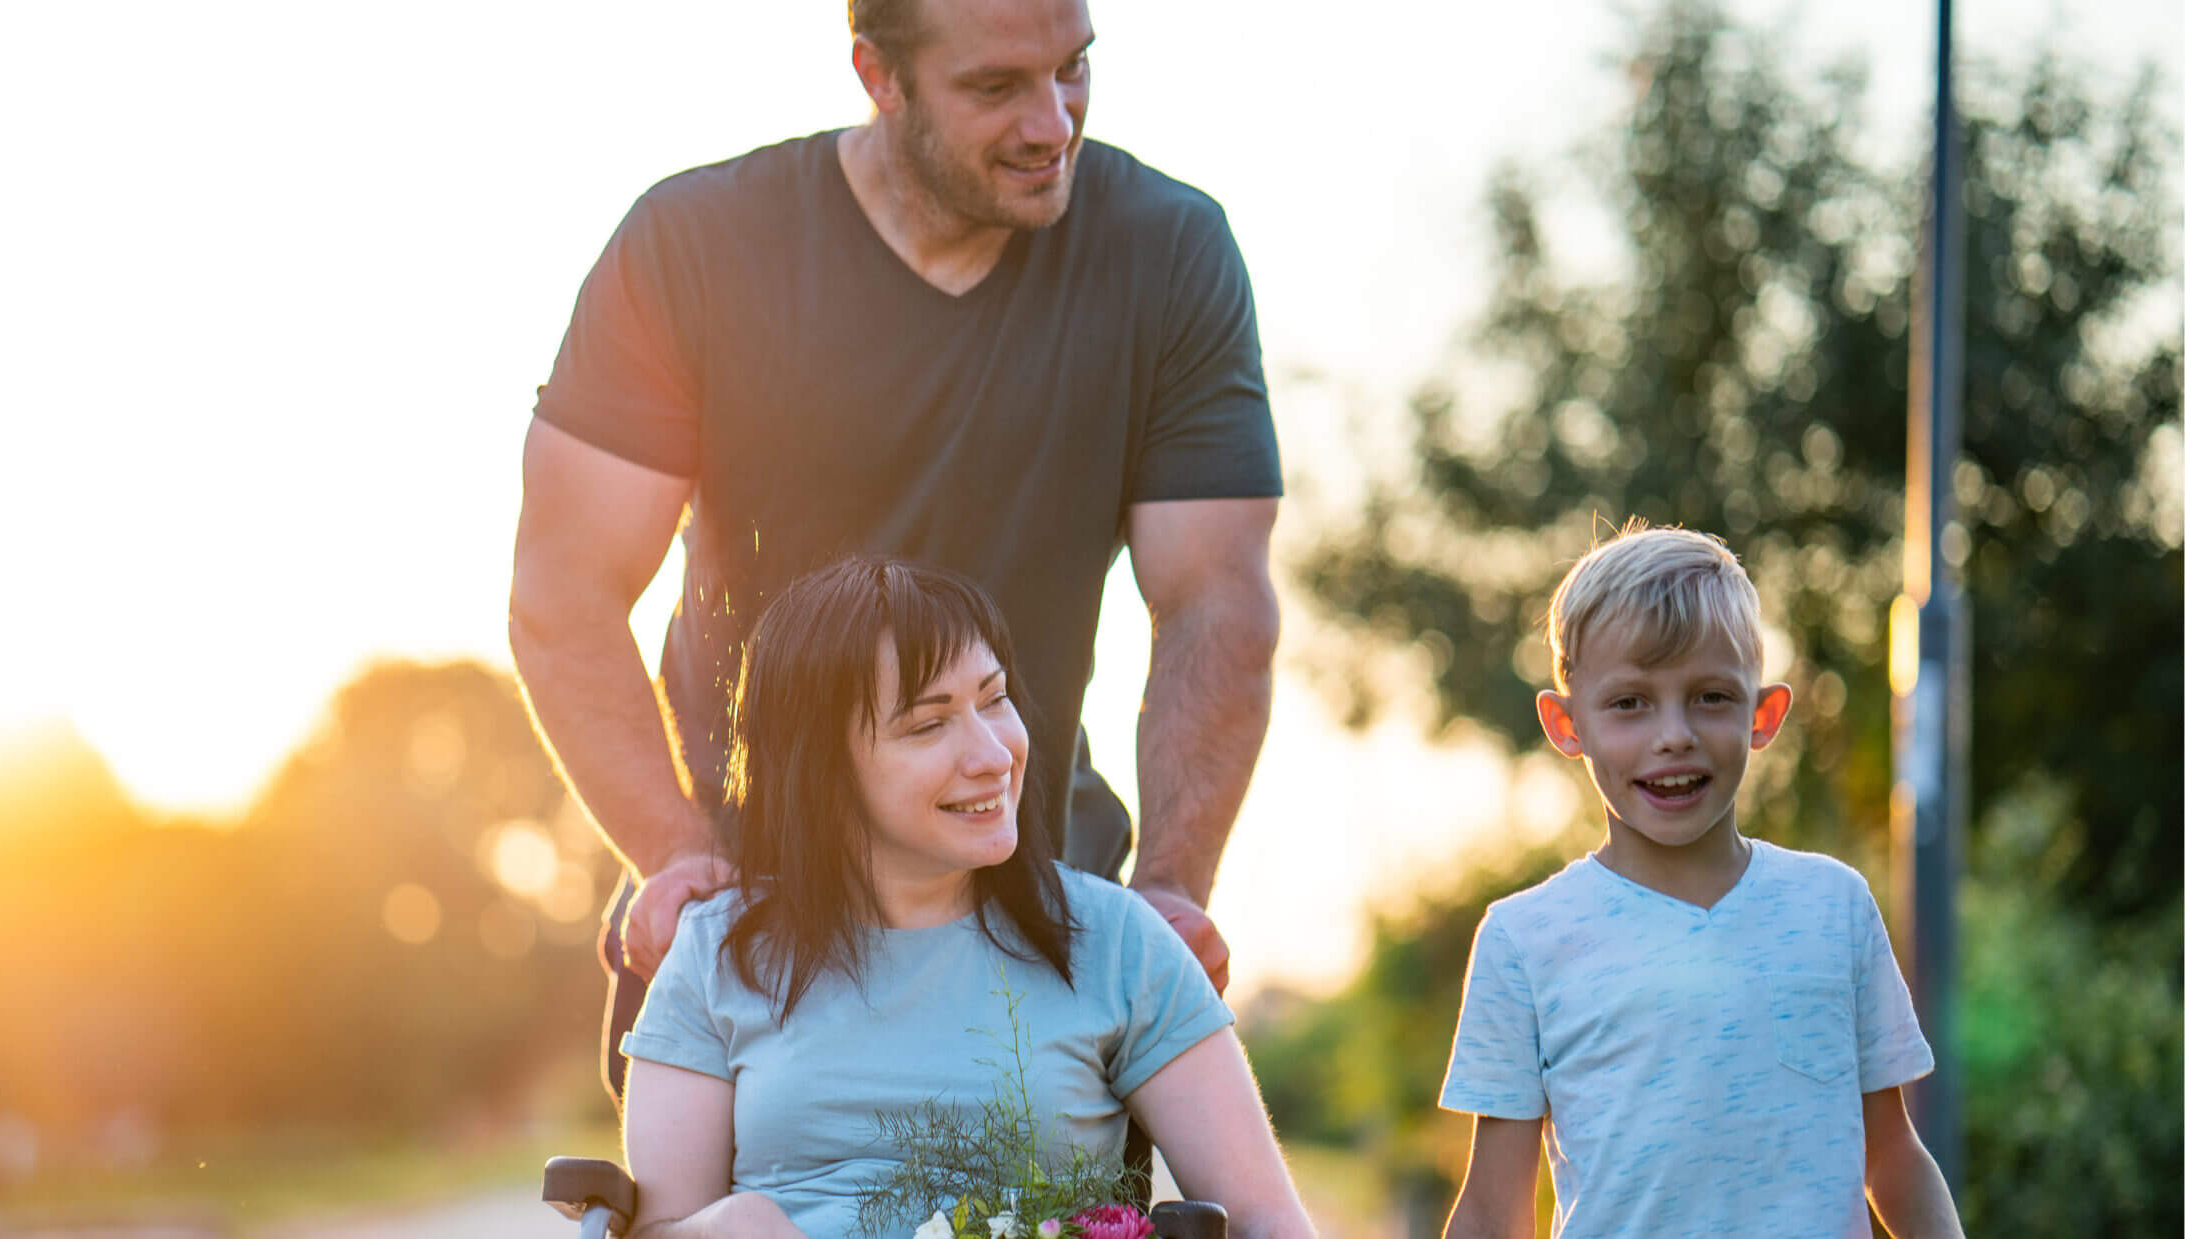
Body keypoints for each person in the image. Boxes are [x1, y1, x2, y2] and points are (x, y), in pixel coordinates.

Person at [509, 0, 1280, 1108]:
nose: (1052, 123)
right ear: (878, 75)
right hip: (749, 929)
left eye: (1073, 69)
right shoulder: (694, 246)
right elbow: (565, 594)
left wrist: (1169, 891)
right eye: (995, 87)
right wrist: (676, 855)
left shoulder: (1167, 252)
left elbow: (1215, 604)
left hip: (1042, 927)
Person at [617, 556, 1313, 1239]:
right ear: (822, 771)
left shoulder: (1118, 943)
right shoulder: (714, 954)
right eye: (929, 724)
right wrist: (729, 1227)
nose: (994, 755)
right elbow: (653, 1229)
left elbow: (1271, 1223)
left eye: (995, 699)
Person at [1435, 523, 1966, 1239]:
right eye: (1629, 703)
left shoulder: (1833, 908)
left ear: (1763, 715)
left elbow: (1892, 1157)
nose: (1674, 735)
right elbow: (1492, 1210)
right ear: (1566, 724)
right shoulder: (1522, 940)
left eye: (1711, 696)